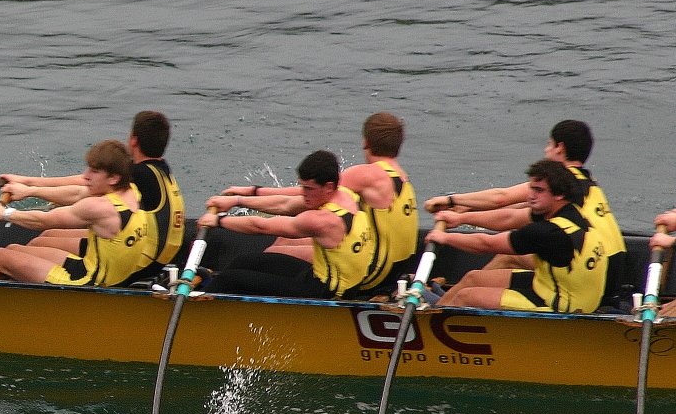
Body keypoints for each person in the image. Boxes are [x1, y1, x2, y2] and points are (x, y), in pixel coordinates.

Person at [424, 119, 626, 306]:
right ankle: (455, 299)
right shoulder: (586, 186)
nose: (532, 194)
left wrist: (452, 204)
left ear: (560, 147)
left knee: (501, 260)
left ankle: (463, 302)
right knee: (478, 275)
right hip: (610, 264)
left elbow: (501, 201)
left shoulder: (556, 183)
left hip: (584, 280)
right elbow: (515, 212)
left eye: (549, 144)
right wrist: (465, 214)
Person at [215, 112, 417, 295]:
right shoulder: (399, 176)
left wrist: (241, 201)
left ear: (366, 142)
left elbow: (290, 204)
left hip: (371, 273)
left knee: (275, 250)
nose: (306, 192)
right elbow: (306, 193)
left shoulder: (366, 175)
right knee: (279, 244)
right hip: (390, 264)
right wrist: (249, 195)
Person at [0, 111, 185, 279]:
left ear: (133, 140)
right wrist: (27, 183)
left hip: (144, 260)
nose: (89, 175)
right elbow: (84, 183)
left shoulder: (140, 174)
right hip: (156, 250)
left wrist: (29, 189)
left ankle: (22, 276)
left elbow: (80, 189)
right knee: (45, 236)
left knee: (34, 243)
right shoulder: (159, 169)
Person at [425, 160, 607, 313]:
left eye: (539, 190)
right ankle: (430, 313)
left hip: (564, 303)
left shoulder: (547, 233)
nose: (531, 196)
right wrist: (459, 218)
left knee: (465, 297)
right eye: (531, 189)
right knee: (473, 278)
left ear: (559, 194)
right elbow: (508, 217)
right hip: (560, 285)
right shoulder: (568, 210)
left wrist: (444, 238)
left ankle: (427, 332)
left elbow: (486, 245)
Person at [0, 140, 155, 287]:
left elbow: (44, 220)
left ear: (114, 178)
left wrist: (4, 213)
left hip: (89, 282)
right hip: (102, 270)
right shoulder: (130, 190)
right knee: (14, 250)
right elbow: (76, 192)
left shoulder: (100, 208)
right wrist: (28, 188)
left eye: (94, 171)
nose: (86, 175)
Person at [198, 150, 374, 299]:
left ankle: (195, 316)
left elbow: (262, 226)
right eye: (302, 187)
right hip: (321, 275)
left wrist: (218, 221)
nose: (303, 193)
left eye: (308, 189)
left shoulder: (323, 221)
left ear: (328, 186)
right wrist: (239, 199)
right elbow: (284, 203)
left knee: (229, 279)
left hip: (326, 292)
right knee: (245, 261)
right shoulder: (345, 194)